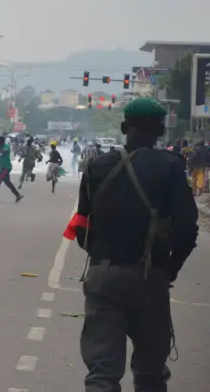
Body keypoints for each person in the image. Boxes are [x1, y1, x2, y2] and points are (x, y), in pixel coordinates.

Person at [62, 98, 198, 392]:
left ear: (124, 127)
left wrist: (102, 257)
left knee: (102, 374)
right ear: (161, 130)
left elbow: (80, 227)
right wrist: (169, 269)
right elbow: (188, 230)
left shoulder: (96, 166)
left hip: (103, 277)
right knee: (150, 374)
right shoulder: (171, 167)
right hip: (150, 279)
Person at [0, 135, 23, 202]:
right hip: (3, 167)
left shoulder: (6, 146)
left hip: (6, 167)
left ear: (2, 142)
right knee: (7, 182)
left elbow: (5, 151)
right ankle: (18, 195)